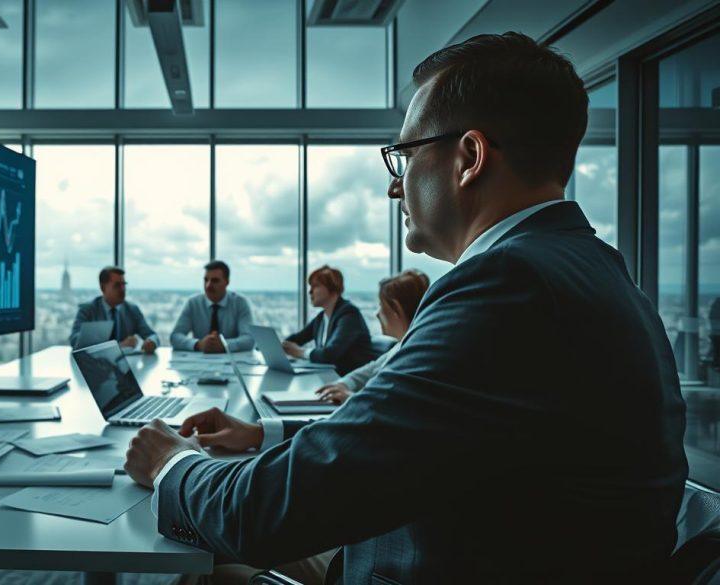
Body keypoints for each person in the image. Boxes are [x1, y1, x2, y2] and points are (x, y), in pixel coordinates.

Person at [125, 32, 686, 584]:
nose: (395, 188)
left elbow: (260, 515)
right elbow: (404, 436)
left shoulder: (507, 286)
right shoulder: (588, 267)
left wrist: (172, 463)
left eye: (406, 156)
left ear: (469, 158)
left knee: (203, 568)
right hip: (453, 547)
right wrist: (262, 436)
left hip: (415, 562)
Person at [316, 269, 430, 404]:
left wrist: (350, 397)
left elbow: (396, 406)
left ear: (396, 308)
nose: (377, 313)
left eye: (381, 305)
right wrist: (343, 384)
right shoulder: (403, 345)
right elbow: (371, 369)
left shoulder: (414, 356)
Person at [282, 265, 377, 376]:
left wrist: (299, 352)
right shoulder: (322, 317)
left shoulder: (349, 315)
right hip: (331, 377)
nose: (310, 291)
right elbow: (297, 339)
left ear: (333, 289)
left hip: (350, 381)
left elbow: (329, 354)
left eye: (315, 286)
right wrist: (279, 346)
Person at [68, 266, 158, 353]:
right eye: (117, 285)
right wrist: (118, 346)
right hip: (97, 362)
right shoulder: (87, 310)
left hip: (126, 362)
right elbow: (74, 341)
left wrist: (151, 342)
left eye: (123, 285)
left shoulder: (132, 310)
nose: (122, 289)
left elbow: (152, 335)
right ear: (103, 287)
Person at [170, 260, 254, 353]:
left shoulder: (239, 303)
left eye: (215, 281)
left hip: (232, 360)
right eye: (206, 280)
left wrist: (225, 345)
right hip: (199, 359)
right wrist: (198, 344)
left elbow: (249, 339)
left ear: (227, 282)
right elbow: (175, 336)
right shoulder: (193, 303)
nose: (208, 285)